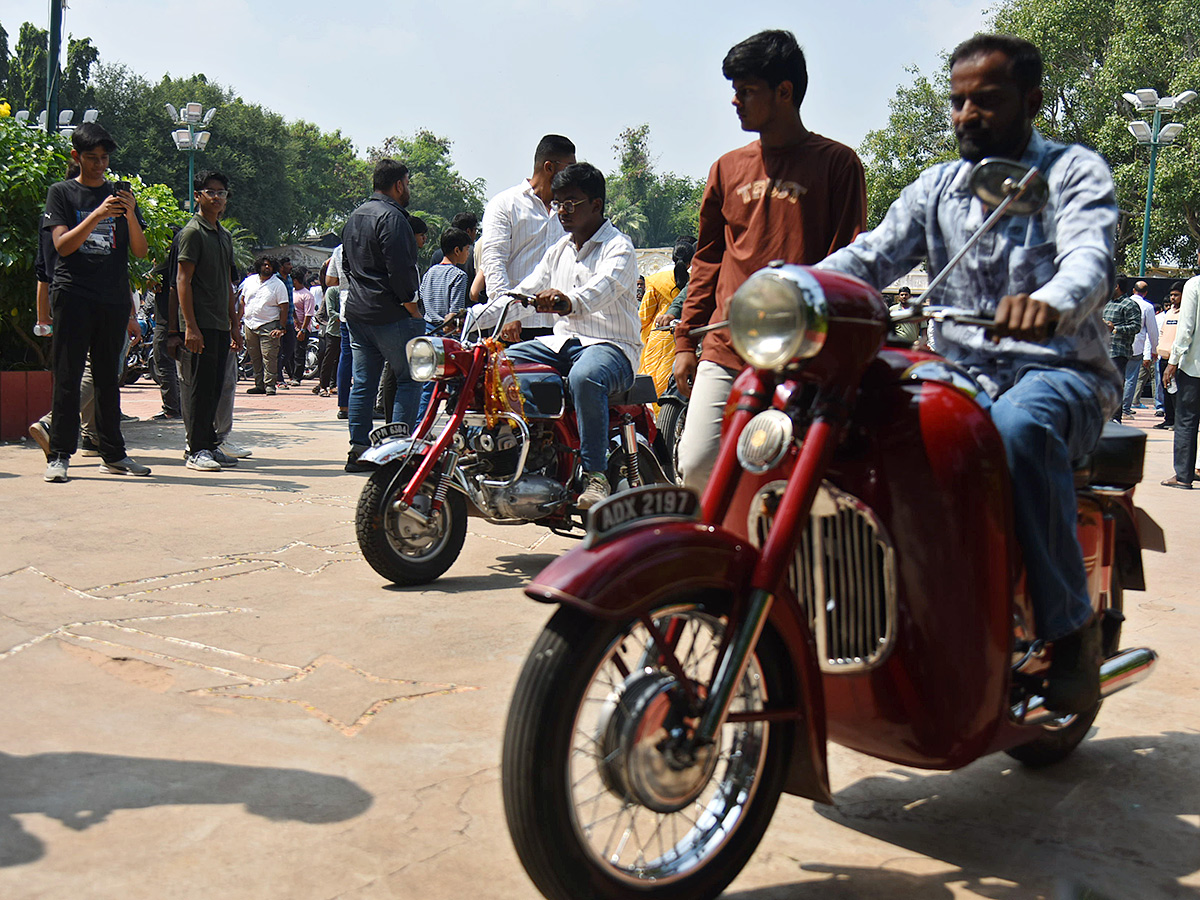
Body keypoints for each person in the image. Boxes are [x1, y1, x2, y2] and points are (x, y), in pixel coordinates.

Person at [817, 33, 1121, 714]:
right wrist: (792, 287)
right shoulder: (938, 189)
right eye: (957, 102)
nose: (965, 115)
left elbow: (1089, 263)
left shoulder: (1074, 174)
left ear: (1032, 101)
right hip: (957, 373)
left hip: (1059, 371)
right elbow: (870, 259)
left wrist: (1048, 305)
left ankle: (1071, 631)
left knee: (1018, 427)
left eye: (986, 101)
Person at [673, 29, 867, 489]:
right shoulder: (725, 168)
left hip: (805, 352)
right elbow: (706, 261)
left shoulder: (837, 164)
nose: (735, 101)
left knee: (799, 474)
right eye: (734, 92)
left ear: (785, 92)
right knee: (698, 463)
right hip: (726, 346)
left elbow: (848, 263)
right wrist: (685, 341)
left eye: (747, 91)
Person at [491, 162, 640, 510]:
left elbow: (600, 290)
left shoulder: (619, 247)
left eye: (570, 203)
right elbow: (522, 295)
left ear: (596, 205)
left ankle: (596, 475)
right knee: (497, 364)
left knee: (585, 376)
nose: (561, 211)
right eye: (557, 203)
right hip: (562, 344)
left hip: (611, 346)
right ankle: (517, 454)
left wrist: (566, 301)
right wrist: (472, 318)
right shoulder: (558, 250)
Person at [41, 121, 151, 483]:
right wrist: (97, 215)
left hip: (112, 298)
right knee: (68, 377)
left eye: (104, 158)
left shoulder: (119, 198)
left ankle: (114, 454)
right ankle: (59, 454)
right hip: (73, 294)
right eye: (92, 158)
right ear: (77, 156)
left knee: (108, 378)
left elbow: (139, 250)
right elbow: (62, 245)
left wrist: (131, 212)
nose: (100, 165)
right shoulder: (62, 193)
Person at [341, 159, 424, 471]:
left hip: (358, 313)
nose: (408, 190)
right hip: (392, 313)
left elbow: (347, 266)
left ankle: (358, 450)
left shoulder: (354, 217)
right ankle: (397, 454)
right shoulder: (394, 218)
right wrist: (412, 305)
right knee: (410, 378)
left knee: (363, 382)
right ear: (399, 185)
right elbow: (401, 270)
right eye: (408, 183)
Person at [478, 135, 577, 338]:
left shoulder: (570, 211)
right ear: (549, 167)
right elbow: (493, 262)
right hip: (516, 327)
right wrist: (506, 313)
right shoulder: (505, 204)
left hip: (561, 327)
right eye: (569, 168)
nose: (574, 176)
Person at [175, 171, 240, 472]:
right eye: (210, 191)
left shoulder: (223, 236)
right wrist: (190, 325)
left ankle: (210, 445)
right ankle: (196, 449)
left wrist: (235, 323)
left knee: (214, 388)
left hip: (219, 324)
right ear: (198, 195)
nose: (216, 197)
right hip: (198, 323)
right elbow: (182, 280)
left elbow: (228, 284)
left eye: (222, 192)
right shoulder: (192, 232)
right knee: (198, 388)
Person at [415, 227, 472, 418]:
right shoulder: (459, 276)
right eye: (466, 249)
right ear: (457, 251)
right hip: (446, 336)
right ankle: (460, 427)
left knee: (427, 387)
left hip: (427, 330)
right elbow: (452, 315)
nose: (468, 253)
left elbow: (421, 299)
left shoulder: (430, 272)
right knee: (460, 384)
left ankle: (419, 425)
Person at [639, 237, 696, 399]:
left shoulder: (656, 280)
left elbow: (643, 317)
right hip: (685, 339)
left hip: (661, 335)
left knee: (654, 387)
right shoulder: (696, 280)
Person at [1162, 252, 1200, 489]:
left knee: (1186, 420)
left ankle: (1184, 475)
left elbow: (1186, 329)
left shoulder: (1194, 285)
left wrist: (1173, 361)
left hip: (1194, 367)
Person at [240, 256, 289, 394]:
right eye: (264, 265)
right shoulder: (249, 281)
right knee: (255, 357)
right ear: (259, 266)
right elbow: (243, 301)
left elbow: (284, 307)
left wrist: (281, 327)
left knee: (269, 356)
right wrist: (238, 319)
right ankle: (259, 385)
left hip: (269, 324)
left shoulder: (278, 285)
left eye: (269, 265)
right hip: (250, 323)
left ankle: (270, 386)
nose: (267, 267)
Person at [1103, 277, 1141, 423]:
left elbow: (1136, 326)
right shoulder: (1107, 303)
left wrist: (1116, 329)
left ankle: (1115, 417)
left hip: (1118, 351)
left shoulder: (1129, 305)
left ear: (1116, 286)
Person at [1123, 281, 1159, 416]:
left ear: (1133, 290)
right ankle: (1125, 409)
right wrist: (1154, 350)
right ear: (1146, 293)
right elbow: (1152, 331)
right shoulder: (1148, 307)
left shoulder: (1124, 303)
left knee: (1119, 377)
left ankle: (1115, 408)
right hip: (1137, 347)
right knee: (1131, 379)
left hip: (1120, 345)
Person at [1154, 283, 1183, 431]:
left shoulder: (1185, 312)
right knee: (1165, 390)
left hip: (1176, 360)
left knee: (1175, 392)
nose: (1173, 298)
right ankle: (1168, 419)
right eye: (1172, 295)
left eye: (1176, 295)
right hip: (1163, 357)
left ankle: (1177, 422)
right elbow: (1163, 332)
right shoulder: (1169, 312)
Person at [291, 267, 315, 384]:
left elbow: (308, 314)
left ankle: (297, 377)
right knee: (289, 353)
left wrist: (303, 329)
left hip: (302, 328)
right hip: (291, 326)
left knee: (299, 353)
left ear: (295, 280)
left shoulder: (307, 295)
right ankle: (291, 374)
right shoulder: (291, 292)